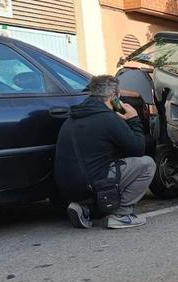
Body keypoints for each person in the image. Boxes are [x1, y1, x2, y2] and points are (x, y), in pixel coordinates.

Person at [54, 75, 155, 229]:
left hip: (67, 188)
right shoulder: (108, 119)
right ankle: (122, 215)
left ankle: (84, 207)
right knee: (147, 164)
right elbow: (137, 149)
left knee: (100, 166)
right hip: (92, 184)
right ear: (114, 96)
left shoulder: (72, 117)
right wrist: (134, 119)